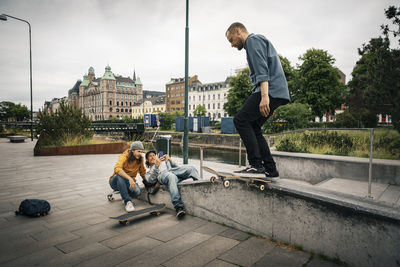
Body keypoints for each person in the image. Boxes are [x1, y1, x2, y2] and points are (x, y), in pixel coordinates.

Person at [225, 22, 290, 180]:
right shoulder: (256, 42)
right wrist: (272, 101)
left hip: (271, 89)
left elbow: (262, 70)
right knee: (253, 126)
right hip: (277, 92)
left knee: (240, 120)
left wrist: (265, 96)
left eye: (231, 40)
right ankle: (270, 169)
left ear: (238, 31)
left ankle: (256, 165)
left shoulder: (252, 41)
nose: (232, 45)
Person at [144, 150, 201, 219]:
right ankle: (179, 207)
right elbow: (151, 180)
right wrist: (156, 166)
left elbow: (177, 167)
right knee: (171, 176)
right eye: (150, 156)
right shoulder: (149, 172)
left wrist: (170, 160)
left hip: (173, 172)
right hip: (163, 175)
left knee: (192, 168)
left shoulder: (163, 162)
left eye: (154, 155)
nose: (152, 157)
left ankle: (202, 185)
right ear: (147, 160)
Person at [109, 141, 146, 212]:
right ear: (132, 150)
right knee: (120, 176)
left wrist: (148, 182)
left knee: (137, 192)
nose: (140, 154)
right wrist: (130, 179)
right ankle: (127, 202)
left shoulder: (140, 159)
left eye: (141, 152)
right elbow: (117, 168)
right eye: (138, 151)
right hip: (115, 182)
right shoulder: (124, 156)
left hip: (128, 183)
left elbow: (142, 172)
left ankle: (124, 192)